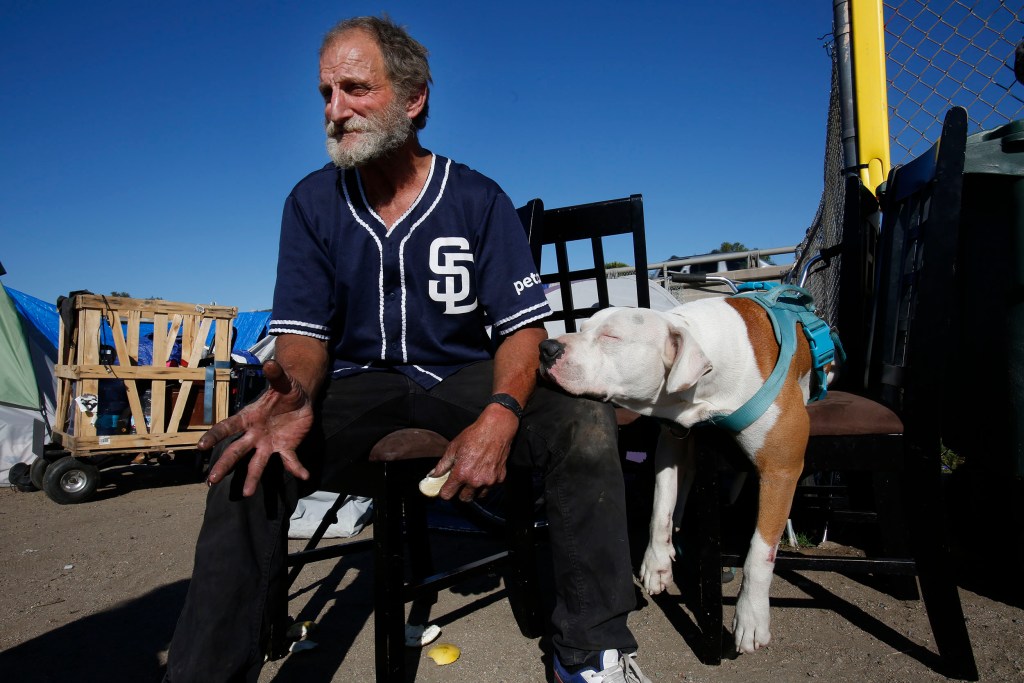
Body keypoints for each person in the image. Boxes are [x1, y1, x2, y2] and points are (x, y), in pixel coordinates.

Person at [163, 15, 652, 683]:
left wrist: (504, 410)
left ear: (413, 98)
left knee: (584, 422)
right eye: (326, 94)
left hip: (459, 373)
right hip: (358, 381)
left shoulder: (477, 198)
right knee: (251, 453)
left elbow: (520, 327)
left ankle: (590, 653)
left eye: (356, 88)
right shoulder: (311, 203)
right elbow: (304, 338)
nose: (336, 111)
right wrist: (296, 394)